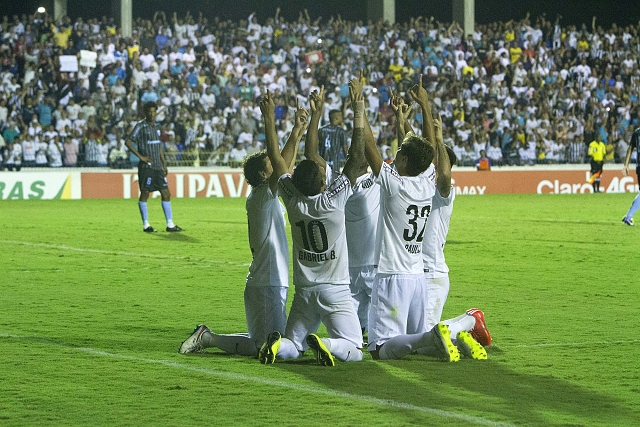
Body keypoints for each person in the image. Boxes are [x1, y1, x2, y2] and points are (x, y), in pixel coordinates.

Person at [178, 105, 309, 356]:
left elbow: (284, 165)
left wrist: (299, 132)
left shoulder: (265, 196)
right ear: (262, 173)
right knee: (267, 346)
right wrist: (292, 131)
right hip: (266, 282)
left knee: (267, 343)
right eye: (271, 163)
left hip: (269, 281)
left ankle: (208, 337)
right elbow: (283, 166)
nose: (278, 164)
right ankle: (208, 338)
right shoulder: (261, 196)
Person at [259, 85, 365, 367]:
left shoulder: (292, 199)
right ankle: (326, 343)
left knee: (293, 344)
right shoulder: (333, 200)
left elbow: (278, 160)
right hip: (336, 290)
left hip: (304, 291)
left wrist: (269, 118)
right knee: (355, 349)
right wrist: (358, 110)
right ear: (322, 183)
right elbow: (356, 160)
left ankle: (278, 346)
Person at [362, 79, 464, 362]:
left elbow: (378, 149)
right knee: (421, 345)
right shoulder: (426, 182)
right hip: (418, 273)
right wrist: (408, 116)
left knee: (387, 346)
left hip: (417, 273)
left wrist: (359, 109)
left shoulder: (436, 188)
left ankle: (465, 322)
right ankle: (463, 330)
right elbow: (422, 151)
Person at [125, 102, 183, 233]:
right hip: (147, 167)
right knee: (145, 193)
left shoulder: (157, 126)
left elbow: (158, 146)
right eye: (149, 112)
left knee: (166, 193)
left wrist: (164, 163)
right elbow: (128, 142)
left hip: (158, 166)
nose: (152, 114)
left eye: (154, 112)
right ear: (145, 112)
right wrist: (141, 157)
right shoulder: (140, 126)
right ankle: (146, 225)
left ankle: (170, 224)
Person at [318, 109, 348, 180]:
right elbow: (345, 150)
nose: (342, 118)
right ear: (337, 118)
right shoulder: (341, 131)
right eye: (341, 116)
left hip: (322, 163)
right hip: (335, 165)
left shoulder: (321, 130)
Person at [622, 127, 640, 226]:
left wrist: (626, 164)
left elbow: (630, 148)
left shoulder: (637, 132)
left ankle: (628, 216)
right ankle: (628, 216)